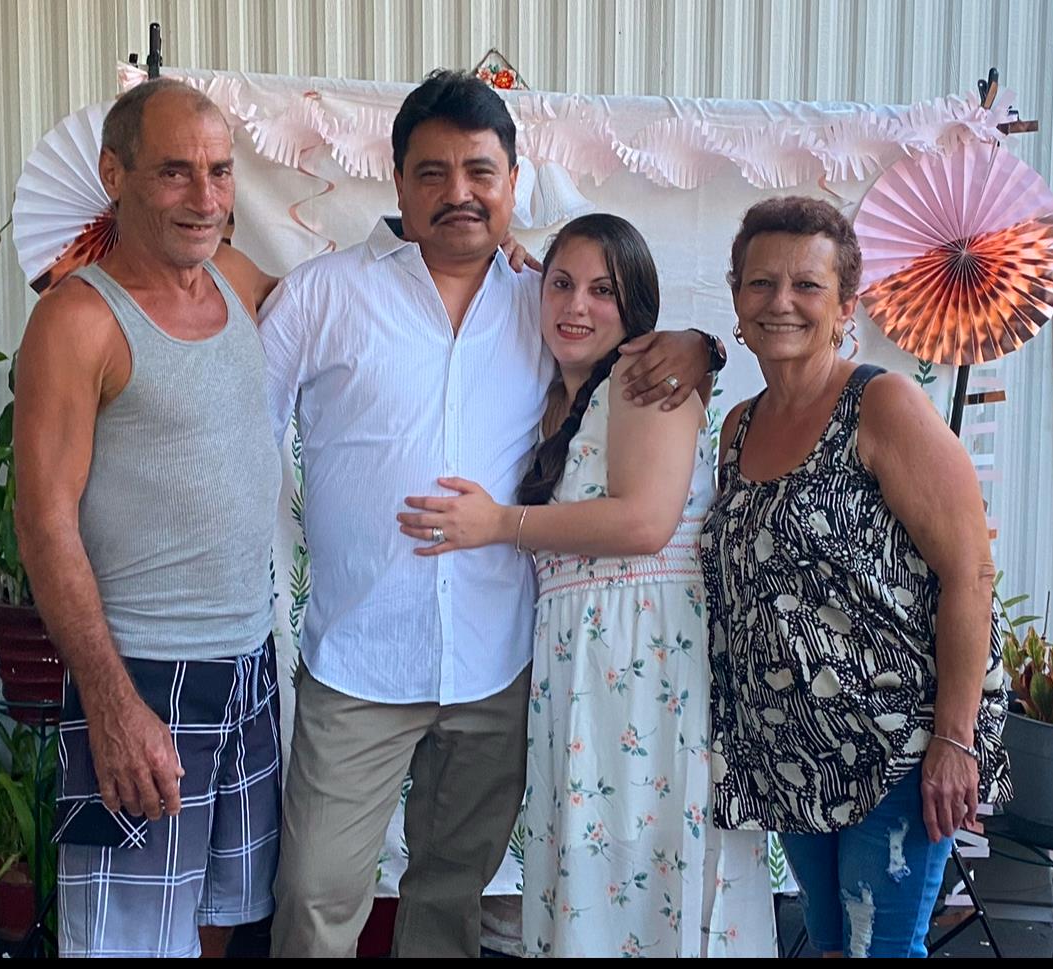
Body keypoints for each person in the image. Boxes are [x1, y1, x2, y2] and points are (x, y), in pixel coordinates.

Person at [258, 70, 717, 958]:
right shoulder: (325, 295)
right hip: (360, 660)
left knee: (449, 893)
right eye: (432, 172)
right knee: (317, 893)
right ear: (396, 182)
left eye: (480, 171)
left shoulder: (545, 303)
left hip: (495, 663)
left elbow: (639, 341)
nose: (458, 193)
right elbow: (248, 432)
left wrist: (701, 343)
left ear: (514, 181)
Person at [395, 213, 775, 957]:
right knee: (596, 866)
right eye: (561, 285)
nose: (576, 306)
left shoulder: (640, 385)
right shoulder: (557, 398)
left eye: (604, 291)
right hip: (585, 674)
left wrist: (502, 523)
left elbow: (643, 521)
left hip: (648, 670)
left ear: (635, 308)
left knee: (642, 863)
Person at [14, 78, 284, 958]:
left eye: (219, 170)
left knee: (217, 917)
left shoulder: (235, 281)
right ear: (114, 173)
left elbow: (358, 307)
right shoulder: (79, 319)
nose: (205, 198)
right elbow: (43, 519)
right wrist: (110, 703)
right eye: (175, 172)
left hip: (247, 663)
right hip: (143, 676)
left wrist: (501, 252)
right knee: (126, 941)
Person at [701, 196, 1011, 958]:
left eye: (807, 286)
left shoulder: (882, 403)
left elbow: (969, 572)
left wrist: (955, 740)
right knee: (834, 942)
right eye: (760, 283)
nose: (781, 302)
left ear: (846, 306)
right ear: (736, 300)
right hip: (793, 751)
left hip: (897, 745)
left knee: (882, 947)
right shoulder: (737, 425)